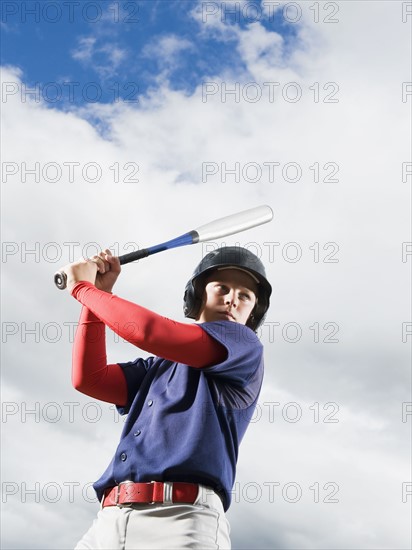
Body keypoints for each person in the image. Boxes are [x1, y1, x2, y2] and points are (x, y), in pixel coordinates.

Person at [63, 245, 272, 550]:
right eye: (222, 288)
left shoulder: (244, 346)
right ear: (198, 294)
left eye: (245, 296)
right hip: (109, 520)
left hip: (181, 520)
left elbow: (150, 332)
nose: (231, 299)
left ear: (253, 311)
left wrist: (82, 289)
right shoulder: (159, 367)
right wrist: (95, 296)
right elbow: (89, 379)